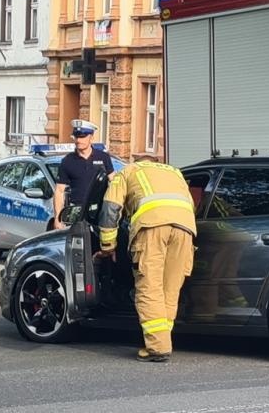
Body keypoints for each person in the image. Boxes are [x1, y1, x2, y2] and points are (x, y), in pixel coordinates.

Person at [95, 153, 197, 363]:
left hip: (152, 227)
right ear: (155, 163)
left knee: (150, 288)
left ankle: (158, 348)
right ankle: (162, 339)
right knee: (170, 289)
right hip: (185, 230)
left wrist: (107, 245)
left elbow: (111, 208)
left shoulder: (128, 171)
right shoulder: (175, 172)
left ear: (138, 161)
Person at [52, 119, 113, 229]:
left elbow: (114, 182)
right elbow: (59, 191)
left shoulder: (103, 157)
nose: (78, 140)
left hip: (100, 212)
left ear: (91, 137)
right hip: (78, 213)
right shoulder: (68, 161)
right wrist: (58, 218)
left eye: (83, 136)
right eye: (76, 136)